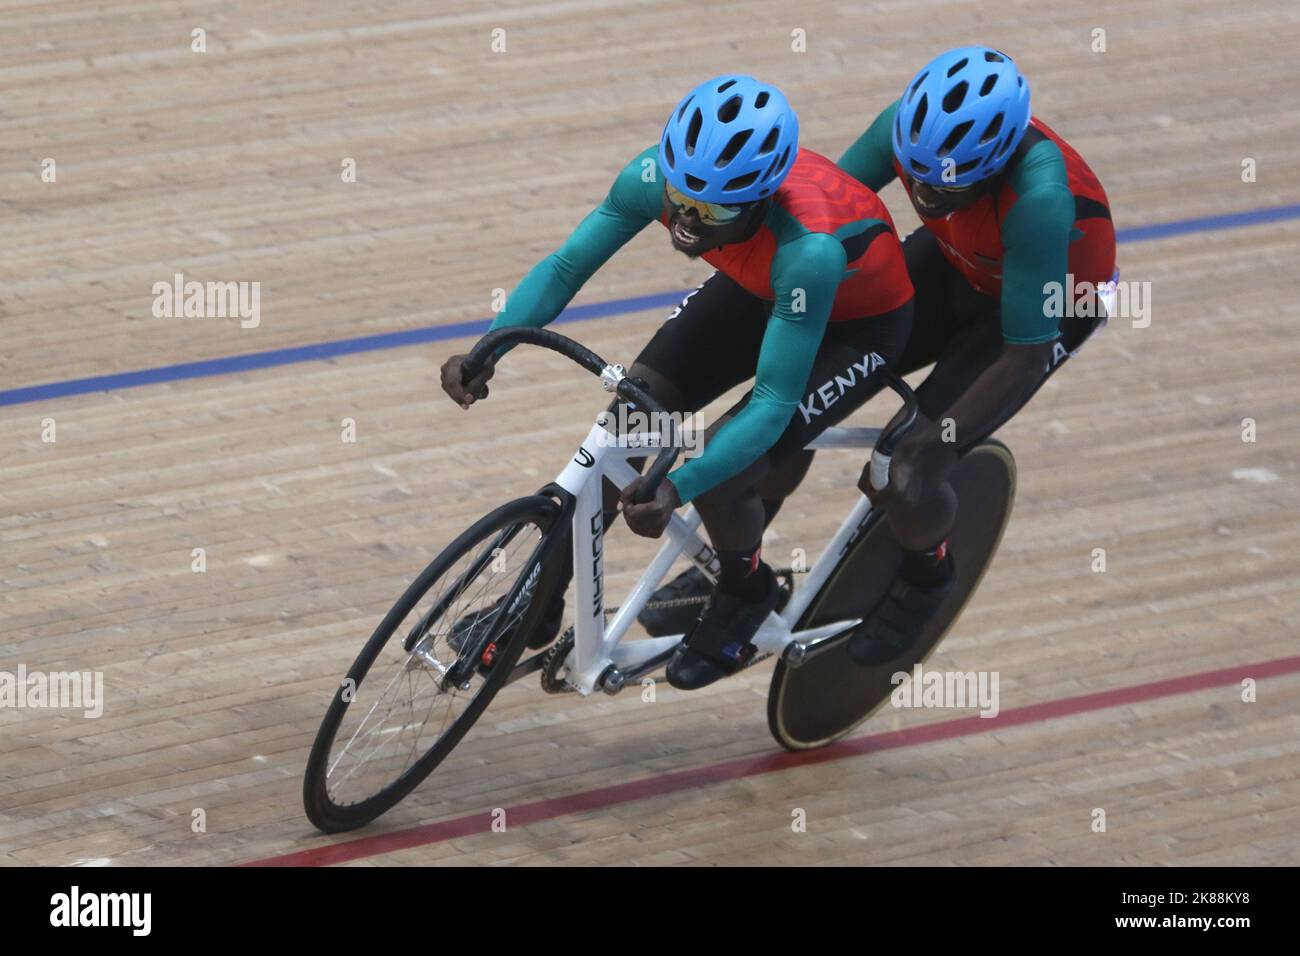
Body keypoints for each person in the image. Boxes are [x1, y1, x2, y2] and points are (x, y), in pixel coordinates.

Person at [640, 47, 1116, 666]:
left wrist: (932, 441)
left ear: (996, 164)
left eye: (942, 185)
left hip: (1035, 315)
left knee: (906, 465)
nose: (921, 191)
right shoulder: (909, 128)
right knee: (792, 402)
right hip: (953, 269)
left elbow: (1023, 356)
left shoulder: (1040, 199)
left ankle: (927, 578)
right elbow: (825, 209)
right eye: (912, 175)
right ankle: (737, 557)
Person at [441, 75, 915, 689]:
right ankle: (537, 604)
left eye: (713, 212)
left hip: (855, 326)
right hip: (760, 286)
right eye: (682, 198)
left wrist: (681, 486)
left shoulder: (808, 249)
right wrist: (491, 344)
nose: (687, 222)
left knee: (726, 469)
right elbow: (565, 267)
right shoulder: (653, 180)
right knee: (629, 421)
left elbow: (772, 402)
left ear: (761, 199)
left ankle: (747, 592)